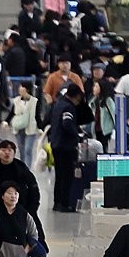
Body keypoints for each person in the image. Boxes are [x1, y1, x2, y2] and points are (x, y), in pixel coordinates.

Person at [47, 83, 83, 213]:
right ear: (77, 96)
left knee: (59, 175)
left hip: (56, 144)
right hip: (66, 146)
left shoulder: (58, 103)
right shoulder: (69, 107)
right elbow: (67, 123)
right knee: (67, 176)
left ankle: (57, 203)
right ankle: (65, 204)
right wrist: (77, 136)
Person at [10, 81, 41, 164]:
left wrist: (41, 127)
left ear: (27, 89)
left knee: (28, 149)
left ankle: (27, 171)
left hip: (31, 128)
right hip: (18, 128)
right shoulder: (16, 101)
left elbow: (37, 116)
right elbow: (12, 113)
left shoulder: (35, 101)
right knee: (21, 150)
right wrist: (6, 121)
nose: (19, 88)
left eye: (22, 86)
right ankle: (22, 167)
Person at [88, 76, 117, 151]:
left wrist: (115, 128)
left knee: (104, 148)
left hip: (106, 129)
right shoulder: (93, 100)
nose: (94, 88)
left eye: (96, 86)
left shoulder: (108, 100)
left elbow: (114, 115)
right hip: (96, 128)